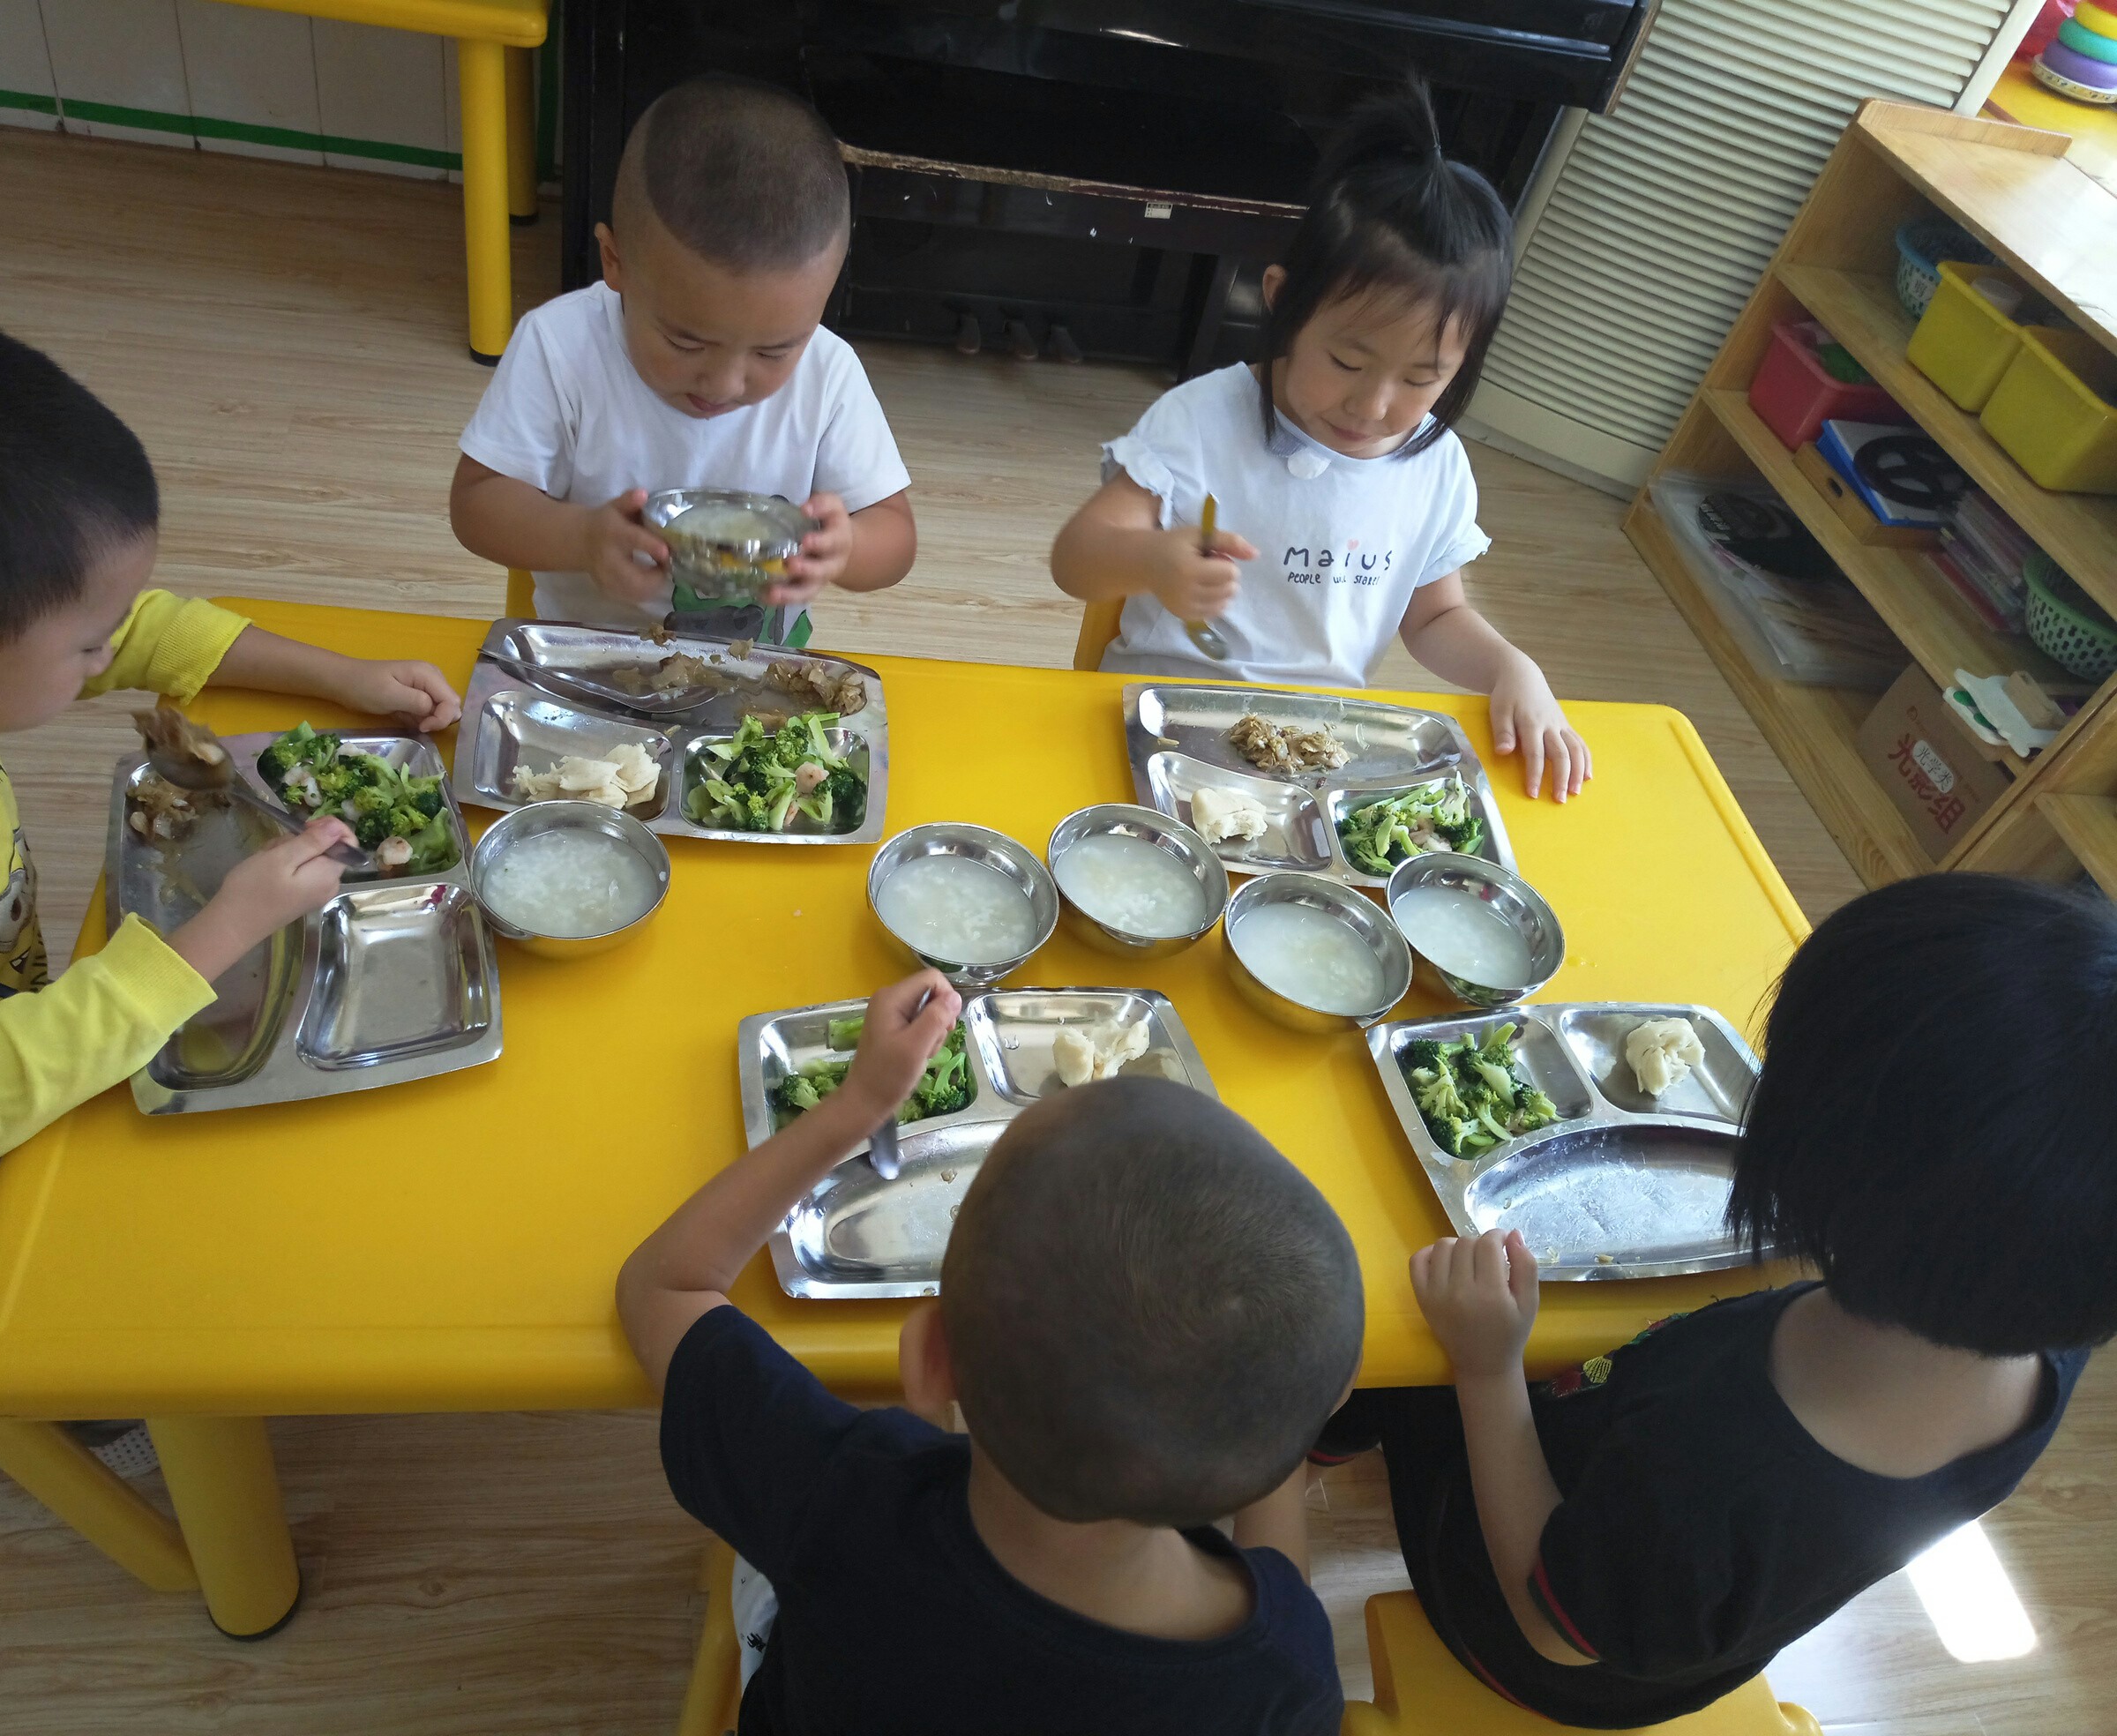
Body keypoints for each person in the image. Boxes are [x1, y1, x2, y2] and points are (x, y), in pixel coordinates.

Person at [0, 314, 462, 1465]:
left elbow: (140, 625)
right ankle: (16, 1414)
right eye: (84, 651)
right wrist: (225, 926)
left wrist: (341, 675)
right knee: (158, 1339)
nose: (109, 658)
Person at [1314, 872, 2110, 1726]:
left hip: (1520, 1635)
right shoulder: (2041, 1316)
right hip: (1635, 1537)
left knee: (1387, 1335)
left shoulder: (1714, 1478)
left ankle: (1300, 1445)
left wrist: (1485, 1371)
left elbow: (1551, 1628)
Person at [617, 971, 1363, 1734]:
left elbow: (663, 1288)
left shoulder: (846, 1497)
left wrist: (859, 1105)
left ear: (928, 1359)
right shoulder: (1291, 1675)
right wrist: (1278, 1404)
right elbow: (1279, 1596)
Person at [1051, 82, 1590, 803]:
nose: (1373, 405)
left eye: (1422, 378)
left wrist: (1511, 668)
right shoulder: (1199, 422)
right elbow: (1074, 561)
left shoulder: (1435, 466)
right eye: (1345, 361)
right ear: (1282, 301)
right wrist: (1149, 559)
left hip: (1310, 754)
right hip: (1164, 729)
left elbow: (1435, 616)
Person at [451, 74, 916, 650]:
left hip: (756, 672)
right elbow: (476, 505)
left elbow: (896, 537)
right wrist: (582, 537)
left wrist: (845, 550)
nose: (725, 383)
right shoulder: (561, 347)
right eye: (685, 342)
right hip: (587, 666)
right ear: (615, 262)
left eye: (773, 351)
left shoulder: (829, 374)